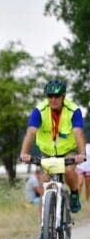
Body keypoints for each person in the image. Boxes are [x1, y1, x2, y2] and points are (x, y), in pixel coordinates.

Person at [19, 79, 86, 222]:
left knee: (68, 171)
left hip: (68, 150)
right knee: (46, 187)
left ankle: (74, 193)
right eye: (50, 96)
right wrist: (24, 153)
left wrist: (82, 153)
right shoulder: (39, 111)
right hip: (47, 153)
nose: (53, 99)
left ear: (63, 96)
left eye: (57, 96)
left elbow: (78, 132)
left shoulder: (74, 111)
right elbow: (31, 132)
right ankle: (44, 229)